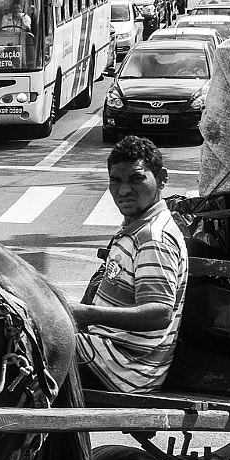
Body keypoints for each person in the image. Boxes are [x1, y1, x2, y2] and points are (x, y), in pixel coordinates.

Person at [73, 136, 189, 393]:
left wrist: (86, 314)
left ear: (161, 179)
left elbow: (160, 312)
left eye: (136, 179)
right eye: (116, 180)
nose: (123, 190)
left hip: (127, 367)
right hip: (107, 351)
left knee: (31, 348)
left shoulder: (153, 238)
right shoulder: (136, 227)